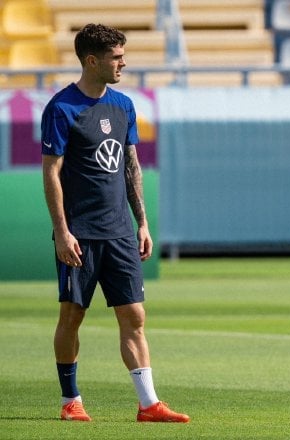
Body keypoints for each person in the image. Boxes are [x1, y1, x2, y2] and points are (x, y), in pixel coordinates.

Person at [41, 23, 189, 423]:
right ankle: (70, 401)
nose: (123, 62)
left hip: (120, 231)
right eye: (116, 57)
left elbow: (131, 166)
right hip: (80, 234)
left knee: (134, 316)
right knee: (72, 316)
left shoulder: (123, 104)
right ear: (92, 60)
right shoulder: (61, 108)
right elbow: (51, 172)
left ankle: (148, 404)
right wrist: (63, 230)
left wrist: (142, 222)